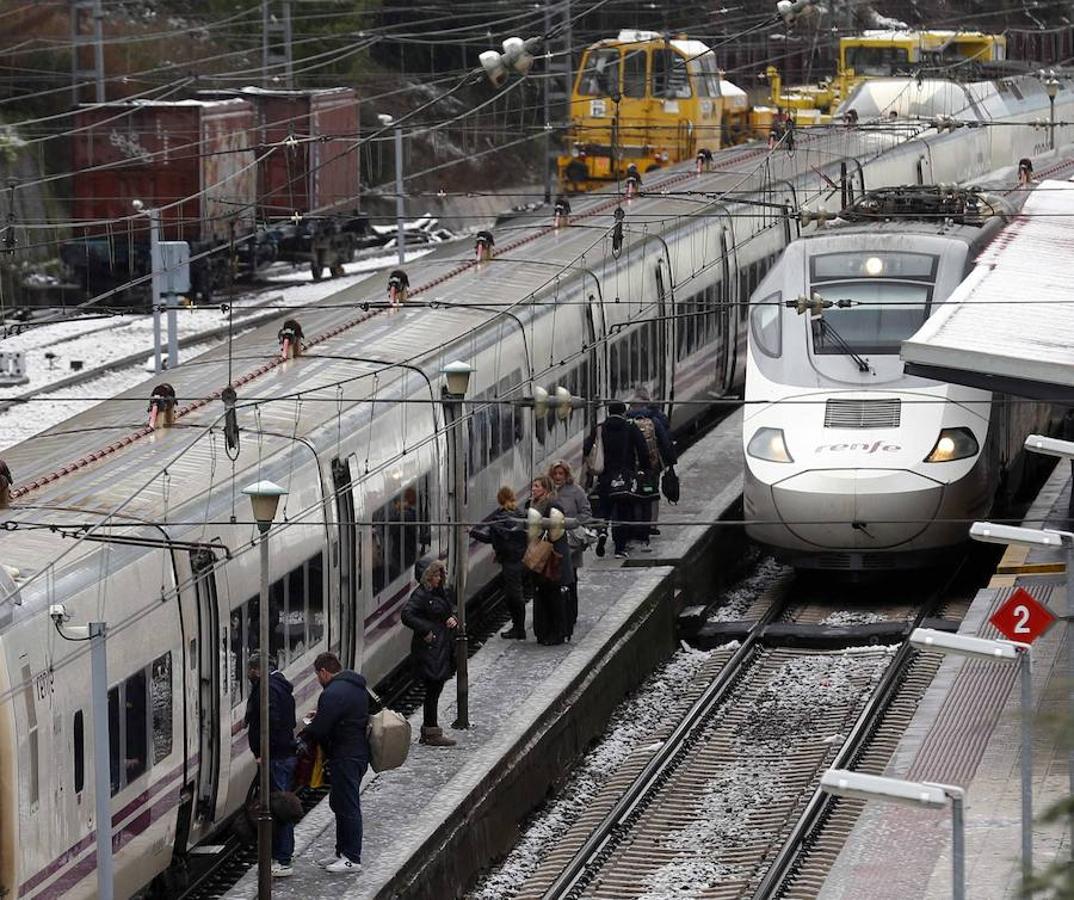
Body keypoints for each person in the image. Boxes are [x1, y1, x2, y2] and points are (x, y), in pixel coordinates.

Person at [305, 651, 371, 874]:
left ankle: (352, 857)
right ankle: (341, 852)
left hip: (346, 754)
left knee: (348, 804)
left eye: (317, 675)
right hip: (357, 752)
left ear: (324, 671)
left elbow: (321, 729)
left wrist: (311, 727)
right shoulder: (355, 686)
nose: (318, 680)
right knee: (341, 802)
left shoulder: (332, 693)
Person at [245, 658, 298, 878]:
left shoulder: (269, 689)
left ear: (258, 669)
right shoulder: (280, 685)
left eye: (251, 670)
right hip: (280, 755)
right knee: (279, 805)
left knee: (279, 809)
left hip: (274, 757)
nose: (249, 674)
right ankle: (280, 856)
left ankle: (283, 859)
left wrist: (262, 752)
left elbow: (271, 721)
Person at [401, 560, 459, 746]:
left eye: (440, 575)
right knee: (433, 688)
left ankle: (430, 730)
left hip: (440, 648)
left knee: (436, 688)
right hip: (431, 650)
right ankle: (431, 731)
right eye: (435, 575)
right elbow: (407, 615)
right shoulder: (421, 595)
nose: (439, 578)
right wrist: (426, 630)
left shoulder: (439, 592)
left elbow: (448, 610)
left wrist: (452, 619)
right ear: (427, 577)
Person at [584, 401, 651, 559]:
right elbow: (642, 449)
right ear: (624, 412)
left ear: (608, 411)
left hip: (605, 477)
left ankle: (601, 532)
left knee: (605, 509)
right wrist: (644, 470)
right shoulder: (630, 427)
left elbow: (587, 448)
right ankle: (619, 549)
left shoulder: (600, 428)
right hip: (625, 477)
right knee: (623, 513)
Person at [471, 486, 529, 639]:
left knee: (514, 595)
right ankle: (519, 627)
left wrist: (472, 532)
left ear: (499, 499)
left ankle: (519, 629)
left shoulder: (500, 518)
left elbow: (490, 538)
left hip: (509, 562)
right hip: (520, 559)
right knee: (514, 594)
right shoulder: (520, 514)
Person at [626, 388, 677, 551]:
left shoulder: (626, 420)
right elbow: (665, 441)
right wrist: (670, 462)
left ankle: (633, 525)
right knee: (651, 495)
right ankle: (651, 525)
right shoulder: (655, 419)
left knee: (633, 495)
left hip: (632, 466)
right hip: (652, 466)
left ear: (632, 405)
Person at [526, 475, 574, 644]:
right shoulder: (533, 506)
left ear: (545, 489)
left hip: (552, 559)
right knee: (543, 596)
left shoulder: (553, 506)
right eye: (533, 486)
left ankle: (557, 632)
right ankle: (544, 631)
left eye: (537, 486)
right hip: (541, 559)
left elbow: (556, 533)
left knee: (554, 597)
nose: (533, 489)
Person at [549, 460, 591, 640]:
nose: (558, 477)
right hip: (552, 543)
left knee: (571, 578)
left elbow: (586, 513)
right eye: (555, 474)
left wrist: (571, 524)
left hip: (571, 543)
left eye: (561, 474)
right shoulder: (549, 492)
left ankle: (571, 615)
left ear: (567, 475)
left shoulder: (576, 491)